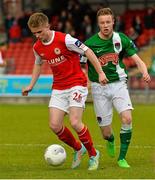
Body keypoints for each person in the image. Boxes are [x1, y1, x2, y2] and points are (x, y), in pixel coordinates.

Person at [22, 12, 107, 170]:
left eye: (40, 32)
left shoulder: (65, 39)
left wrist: (100, 72)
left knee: (75, 122)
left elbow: (87, 51)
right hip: (59, 87)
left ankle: (93, 154)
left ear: (48, 26)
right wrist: (31, 85)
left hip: (76, 83)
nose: (37, 36)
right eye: (34, 33)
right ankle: (78, 148)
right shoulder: (37, 47)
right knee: (54, 125)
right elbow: (38, 64)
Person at [81, 7, 151, 168]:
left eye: (108, 22)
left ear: (113, 22)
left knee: (127, 118)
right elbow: (81, 66)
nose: (105, 25)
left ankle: (122, 158)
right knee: (106, 133)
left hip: (119, 84)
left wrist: (144, 72)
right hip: (99, 88)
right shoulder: (90, 44)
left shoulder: (121, 39)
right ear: (98, 24)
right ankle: (110, 140)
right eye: (102, 23)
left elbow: (138, 60)